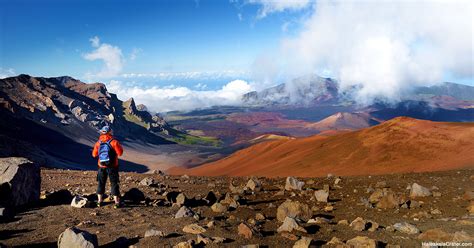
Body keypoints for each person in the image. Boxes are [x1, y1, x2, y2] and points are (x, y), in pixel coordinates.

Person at [92, 125, 124, 208]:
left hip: (101, 166)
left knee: (101, 183)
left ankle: (99, 201)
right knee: (114, 183)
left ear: (102, 132)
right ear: (110, 132)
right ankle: (117, 202)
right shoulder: (114, 142)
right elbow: (120, 153)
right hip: (113, 166)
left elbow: (94, 154)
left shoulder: (98, 142)